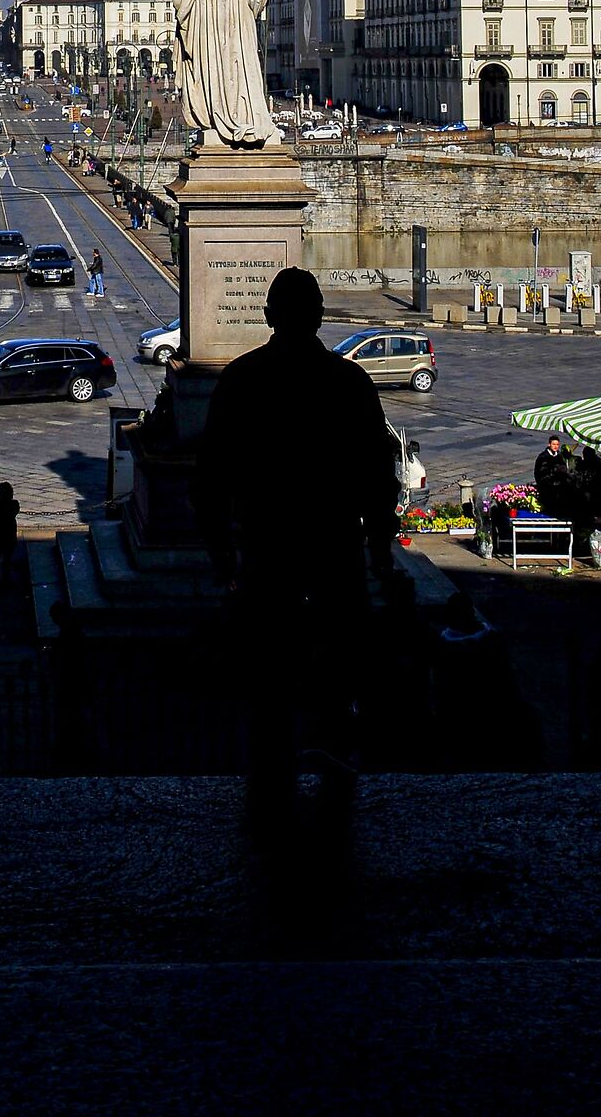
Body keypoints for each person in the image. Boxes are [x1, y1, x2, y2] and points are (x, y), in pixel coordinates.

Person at [197, 267, 397, 831]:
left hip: (269, 550)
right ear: (319, 316)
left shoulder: (241, 380)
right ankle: (337, 813)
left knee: (270, 690)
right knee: (338, 687)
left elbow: (211, 479)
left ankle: (270, 811)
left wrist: (222, 556)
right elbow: (378, 476)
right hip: (334, 550)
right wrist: (379, 547)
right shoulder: (349, 384)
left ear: (268, 317)